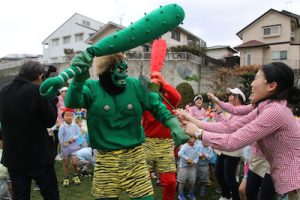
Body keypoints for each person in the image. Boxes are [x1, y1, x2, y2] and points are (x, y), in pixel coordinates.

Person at [65, 53, 188, 200]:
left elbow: (158, 106)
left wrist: (174, 126)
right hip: (106, 159)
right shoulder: (91, 87)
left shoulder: (139, 84)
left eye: (125, 70)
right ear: (105, 71)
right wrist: (78, 79)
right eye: (118, 71)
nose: (123, 76)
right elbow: (71, 102)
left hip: (134, 156)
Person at [180, 62, 300, 199]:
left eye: (256, 78)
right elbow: (229, 127)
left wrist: (197, 132)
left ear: (272, 86)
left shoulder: (274, 111)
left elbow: (233, 141)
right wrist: (192, 120)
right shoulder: (265, 106)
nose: (252, 84)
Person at [0, 61, 59, 200]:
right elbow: (50, 120)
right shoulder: (37, 91)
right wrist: (51, 98)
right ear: (39, 76)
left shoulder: (3, 91)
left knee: (20, 196)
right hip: (39, 156)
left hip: (14, 155)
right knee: (50, 195)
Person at [142, 71, 181, 200]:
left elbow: (177, 97)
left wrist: (163, 82)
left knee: (170, 182)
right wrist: (148, 85)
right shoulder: (146, 100)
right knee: (142, 179)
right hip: (147, 143)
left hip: (165, 144)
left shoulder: (168, 101)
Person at [58, 108, 82, 187]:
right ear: (63, 117)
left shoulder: (75, 126)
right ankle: (66, 178)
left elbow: (79, 134)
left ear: (73, 117)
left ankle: (75, 176)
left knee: (75, 163)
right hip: (66, 148)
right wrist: (64, 144)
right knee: (66, 164)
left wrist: (74, 138)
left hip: (74, 147)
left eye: (70, 115)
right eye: (66, 115)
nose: (69, 117)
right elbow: (60, 137)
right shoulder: (62, 127)